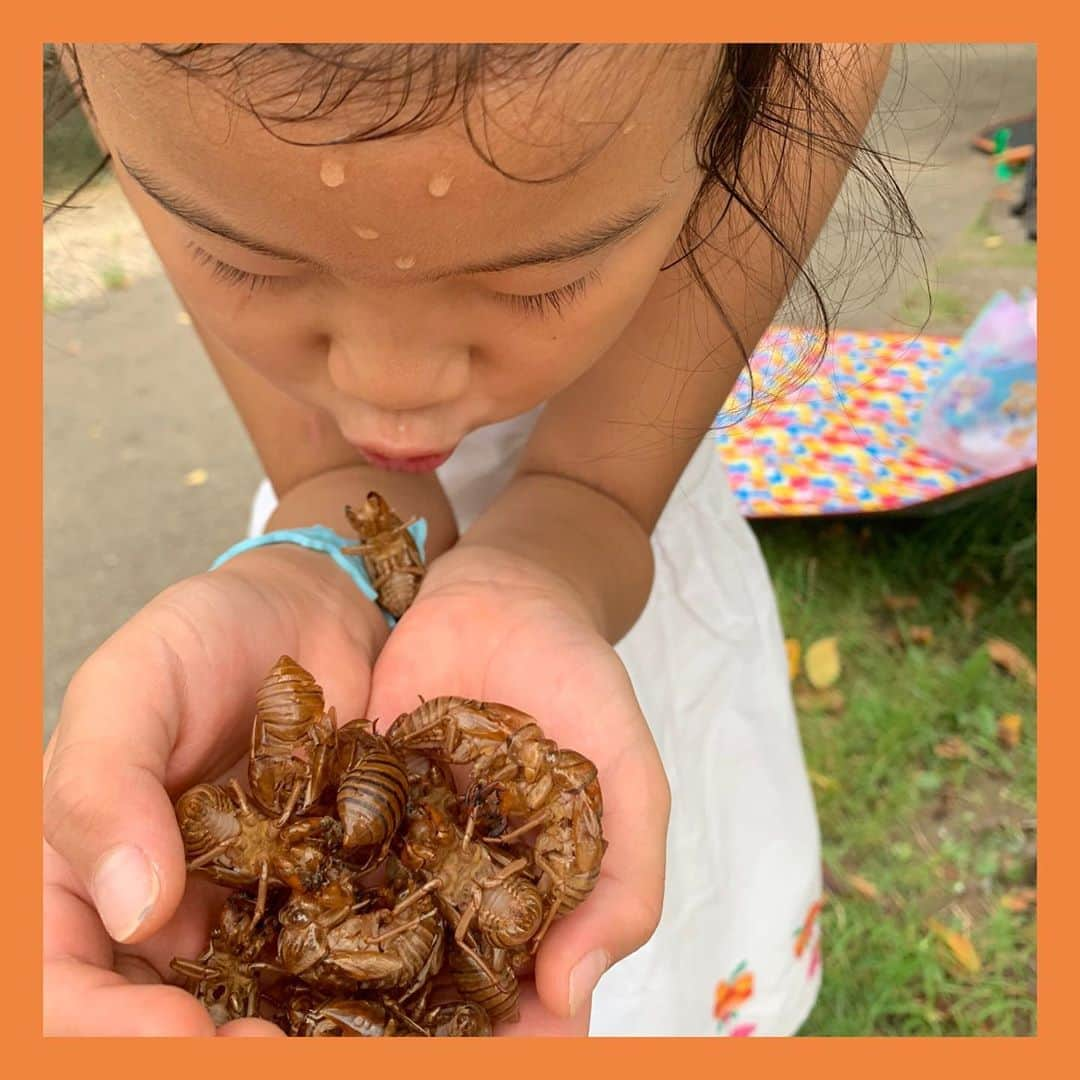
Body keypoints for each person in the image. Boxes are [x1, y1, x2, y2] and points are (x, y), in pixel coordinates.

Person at [42, 44, 912, 1036]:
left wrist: (558, 554)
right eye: (247, 259)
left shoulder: (794, 66)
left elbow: (835, 43)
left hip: (636, 560)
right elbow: (337, 482)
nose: (392, 387)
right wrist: (318, 556)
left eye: (540, 279)